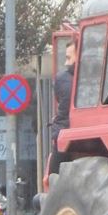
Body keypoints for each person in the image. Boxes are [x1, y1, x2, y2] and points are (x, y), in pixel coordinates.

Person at [47, 40, 76, 176]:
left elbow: (61, 100)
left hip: (65, 130)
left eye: (69, 58)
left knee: (54, 177)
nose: (66, 63)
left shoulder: (62, 78)